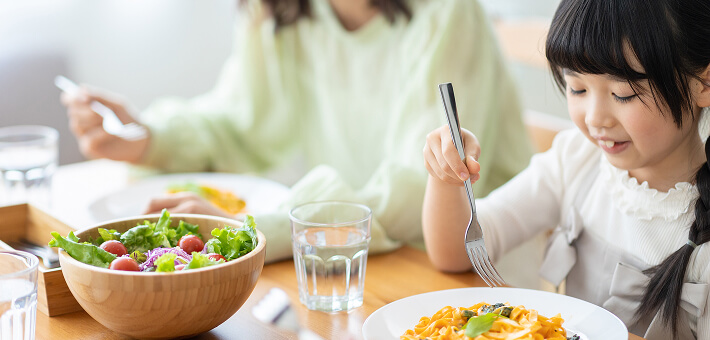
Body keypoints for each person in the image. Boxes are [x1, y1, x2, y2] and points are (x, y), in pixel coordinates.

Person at [62, 0, 533, 263]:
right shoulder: (283, 9)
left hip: (465, 265)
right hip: (347, 253)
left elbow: (414, 193)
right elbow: (241, 121)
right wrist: (148, 138)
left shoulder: (448, 12)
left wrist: (261, 232)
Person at [422, 0, 710, 338]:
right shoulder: (577, 159)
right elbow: (457, 254)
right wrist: (447, 177)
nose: (594, 118)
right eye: (577, 89)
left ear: (702, 84)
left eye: (623, 94)